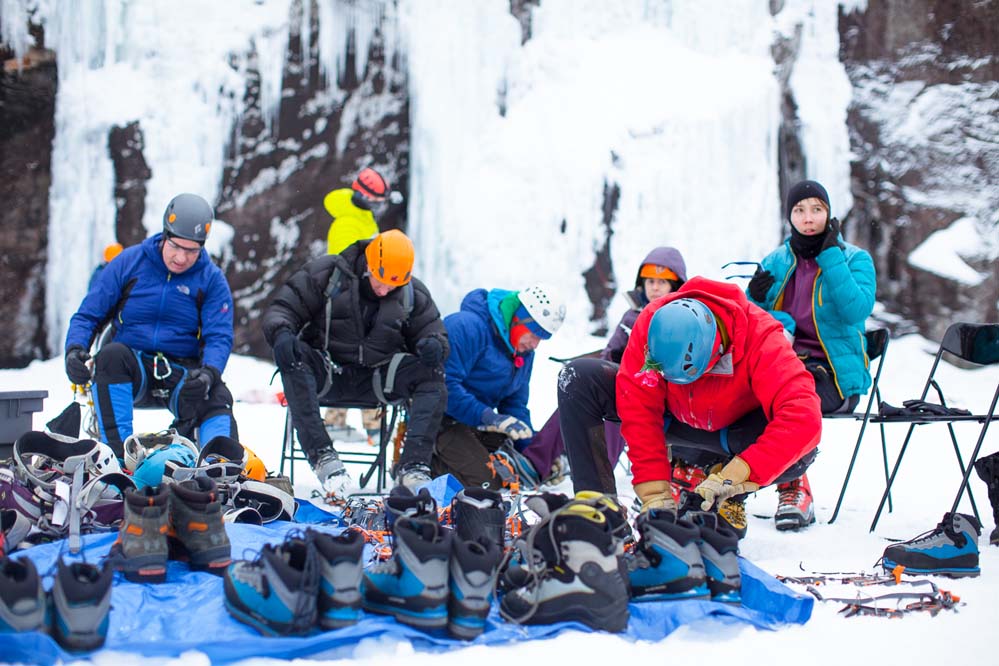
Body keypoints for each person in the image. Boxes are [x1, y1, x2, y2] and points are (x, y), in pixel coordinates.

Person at [557, 276, 822, 536]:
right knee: (579, 378)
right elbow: (639, 409)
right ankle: (598, 507)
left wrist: (741, 472)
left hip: (734, 437)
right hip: (676, 422)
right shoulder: (652, 323)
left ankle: (723, 492)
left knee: (799, 453)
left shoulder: (760, 338)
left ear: (717, 351)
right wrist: (654, 491)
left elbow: (804, 417)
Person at [262, 229, 448, 494]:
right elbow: (283, 309)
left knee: (432, 374)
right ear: (369, 266)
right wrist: (281, 333)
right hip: (327, 372)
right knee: (295, 356)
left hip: (378, 379)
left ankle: (413, 466)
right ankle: (323, 457)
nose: (384, 290)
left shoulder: (412, 293)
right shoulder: (327, 275)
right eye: (379, 280)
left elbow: (434, 332)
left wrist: (435, 347)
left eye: (392, 286)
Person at [64, 194, 238, 458]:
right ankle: (120, 459)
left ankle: (219, 465)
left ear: (202, 246)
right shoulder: (129, 262)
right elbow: (89, 314)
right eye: (176, 246)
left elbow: (219, 337)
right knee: (110, 356)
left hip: (181, 373)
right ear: (165, 235)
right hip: (131, 368)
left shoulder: (211, 279)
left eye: (191, 250)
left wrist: (208, 373)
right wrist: (74, 349)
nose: (181, 257)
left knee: (217, 393)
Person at [746, 179, 876, 530]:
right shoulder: (775, 261)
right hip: (782, 366)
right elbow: (753, 323)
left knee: (790, 397)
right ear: (789, 216)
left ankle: (794, 489)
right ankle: (720, 481)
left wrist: (831, 256)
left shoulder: (854, 259)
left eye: (816, 209)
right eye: (799, 210)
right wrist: (754, 298)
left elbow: (856, 311)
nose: (808, 217)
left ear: (829, 213)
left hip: (834, 377)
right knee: (740, 392)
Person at [523, 247, 687, 483]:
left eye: (663, 282)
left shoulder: (680, 319)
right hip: (621, 379)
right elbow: (611, 351)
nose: (655, 287)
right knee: (576, 396)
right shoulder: (631, 315)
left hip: (654, 394)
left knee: (618, 409)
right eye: (650, 281)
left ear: (676, 285)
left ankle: (599, 478)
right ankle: (533, 463)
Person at [432, 284, 566, 489]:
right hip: (440, 422)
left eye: (542, 338)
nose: (535, 345)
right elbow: (443, 386)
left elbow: (515, 405)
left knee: (515, 476)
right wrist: (489, 418)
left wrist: (536, 456)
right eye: (534, 334)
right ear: (518, 319)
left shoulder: (523, 353)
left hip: (476, 424)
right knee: (490, 483)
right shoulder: (466, 327)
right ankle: (426, 465)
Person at [323, 167, 391, 444]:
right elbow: (347, 265)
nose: (377, 206)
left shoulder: (364, 219)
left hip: (361, 298)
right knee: (354, 356)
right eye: (374, 201)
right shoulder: (346, 223)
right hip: (346, 302)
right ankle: (356, 421)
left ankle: (360, 420)